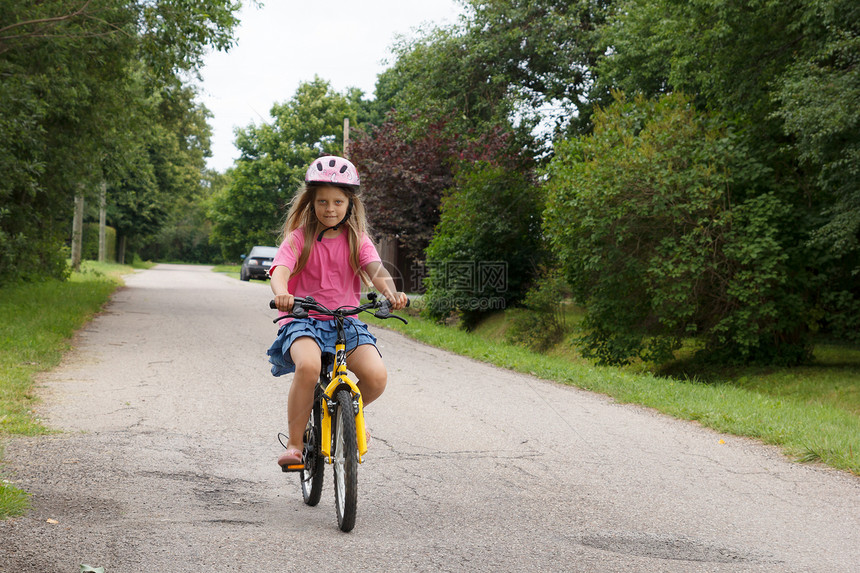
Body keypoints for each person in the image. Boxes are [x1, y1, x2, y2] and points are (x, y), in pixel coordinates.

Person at [266, 155, 408, 468]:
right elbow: (280, 271)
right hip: (304, 320)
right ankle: (295, 444)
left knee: (376, 377)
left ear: (349, 204)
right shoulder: (299, 238)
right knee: (308, 368)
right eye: (323, 202)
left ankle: (349, 413)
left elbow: (376, 270)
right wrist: (284, 294)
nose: (330, 209)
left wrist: (391, 293)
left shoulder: (357, 239)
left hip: (345, 322)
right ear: (310, 203)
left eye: (338, 202)